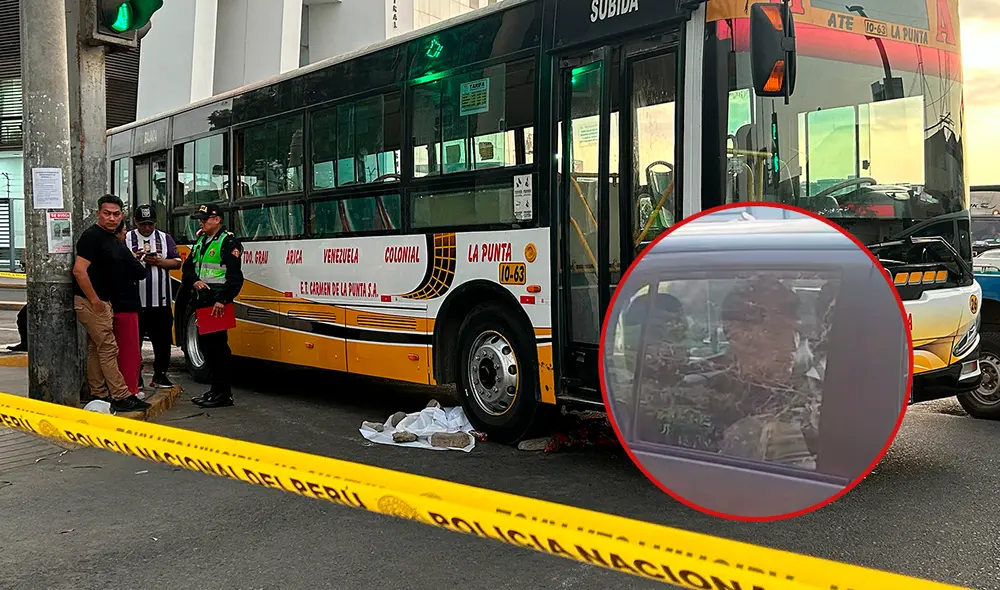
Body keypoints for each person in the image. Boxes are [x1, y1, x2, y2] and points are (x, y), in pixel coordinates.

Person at [72, 194, 150, 412]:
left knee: (97, 348)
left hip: (103, 301)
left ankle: (99, 392)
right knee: (108, 348)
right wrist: (95, 300)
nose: (111, 218)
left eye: (116, 214)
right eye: (106, 213)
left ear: (122, 215)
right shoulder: (92, 237)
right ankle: (121, 395)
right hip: (91, 302)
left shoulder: (109, 238)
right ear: (99, 213)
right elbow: (79, 270)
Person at [181, 203, 244, 408]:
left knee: (218, 349)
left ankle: (223, 394)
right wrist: (194, 281)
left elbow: (235, 278)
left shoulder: (228, 243)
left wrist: (222, 299)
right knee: (207, 347)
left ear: (216, 220)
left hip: (217, 302)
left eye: (204, 219)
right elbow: (188, 267)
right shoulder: (201, 240)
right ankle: (215, 390)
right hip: (202, 300)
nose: (201, 222)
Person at [125, 204, 182, 389]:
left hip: (161, 300)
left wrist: (159, 262)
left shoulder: (165, 238)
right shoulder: (127, 238)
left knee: (163, 341)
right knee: (134, 342)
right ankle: (136, 377)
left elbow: (177, 263)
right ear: (135, 222)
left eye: (150, 224)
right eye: (143, 224)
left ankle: (160, 374)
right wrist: (135, 258)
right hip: (135, 300)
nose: (147, 228)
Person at [111, 219, 147, 399]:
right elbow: (141, 272)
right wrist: (134, 260)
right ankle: (130, 389)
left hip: (113, 305)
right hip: (126, 306)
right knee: (129, 352)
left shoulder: (107, 249)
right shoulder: (120, 249)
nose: (126, 234)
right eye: (124, 231)